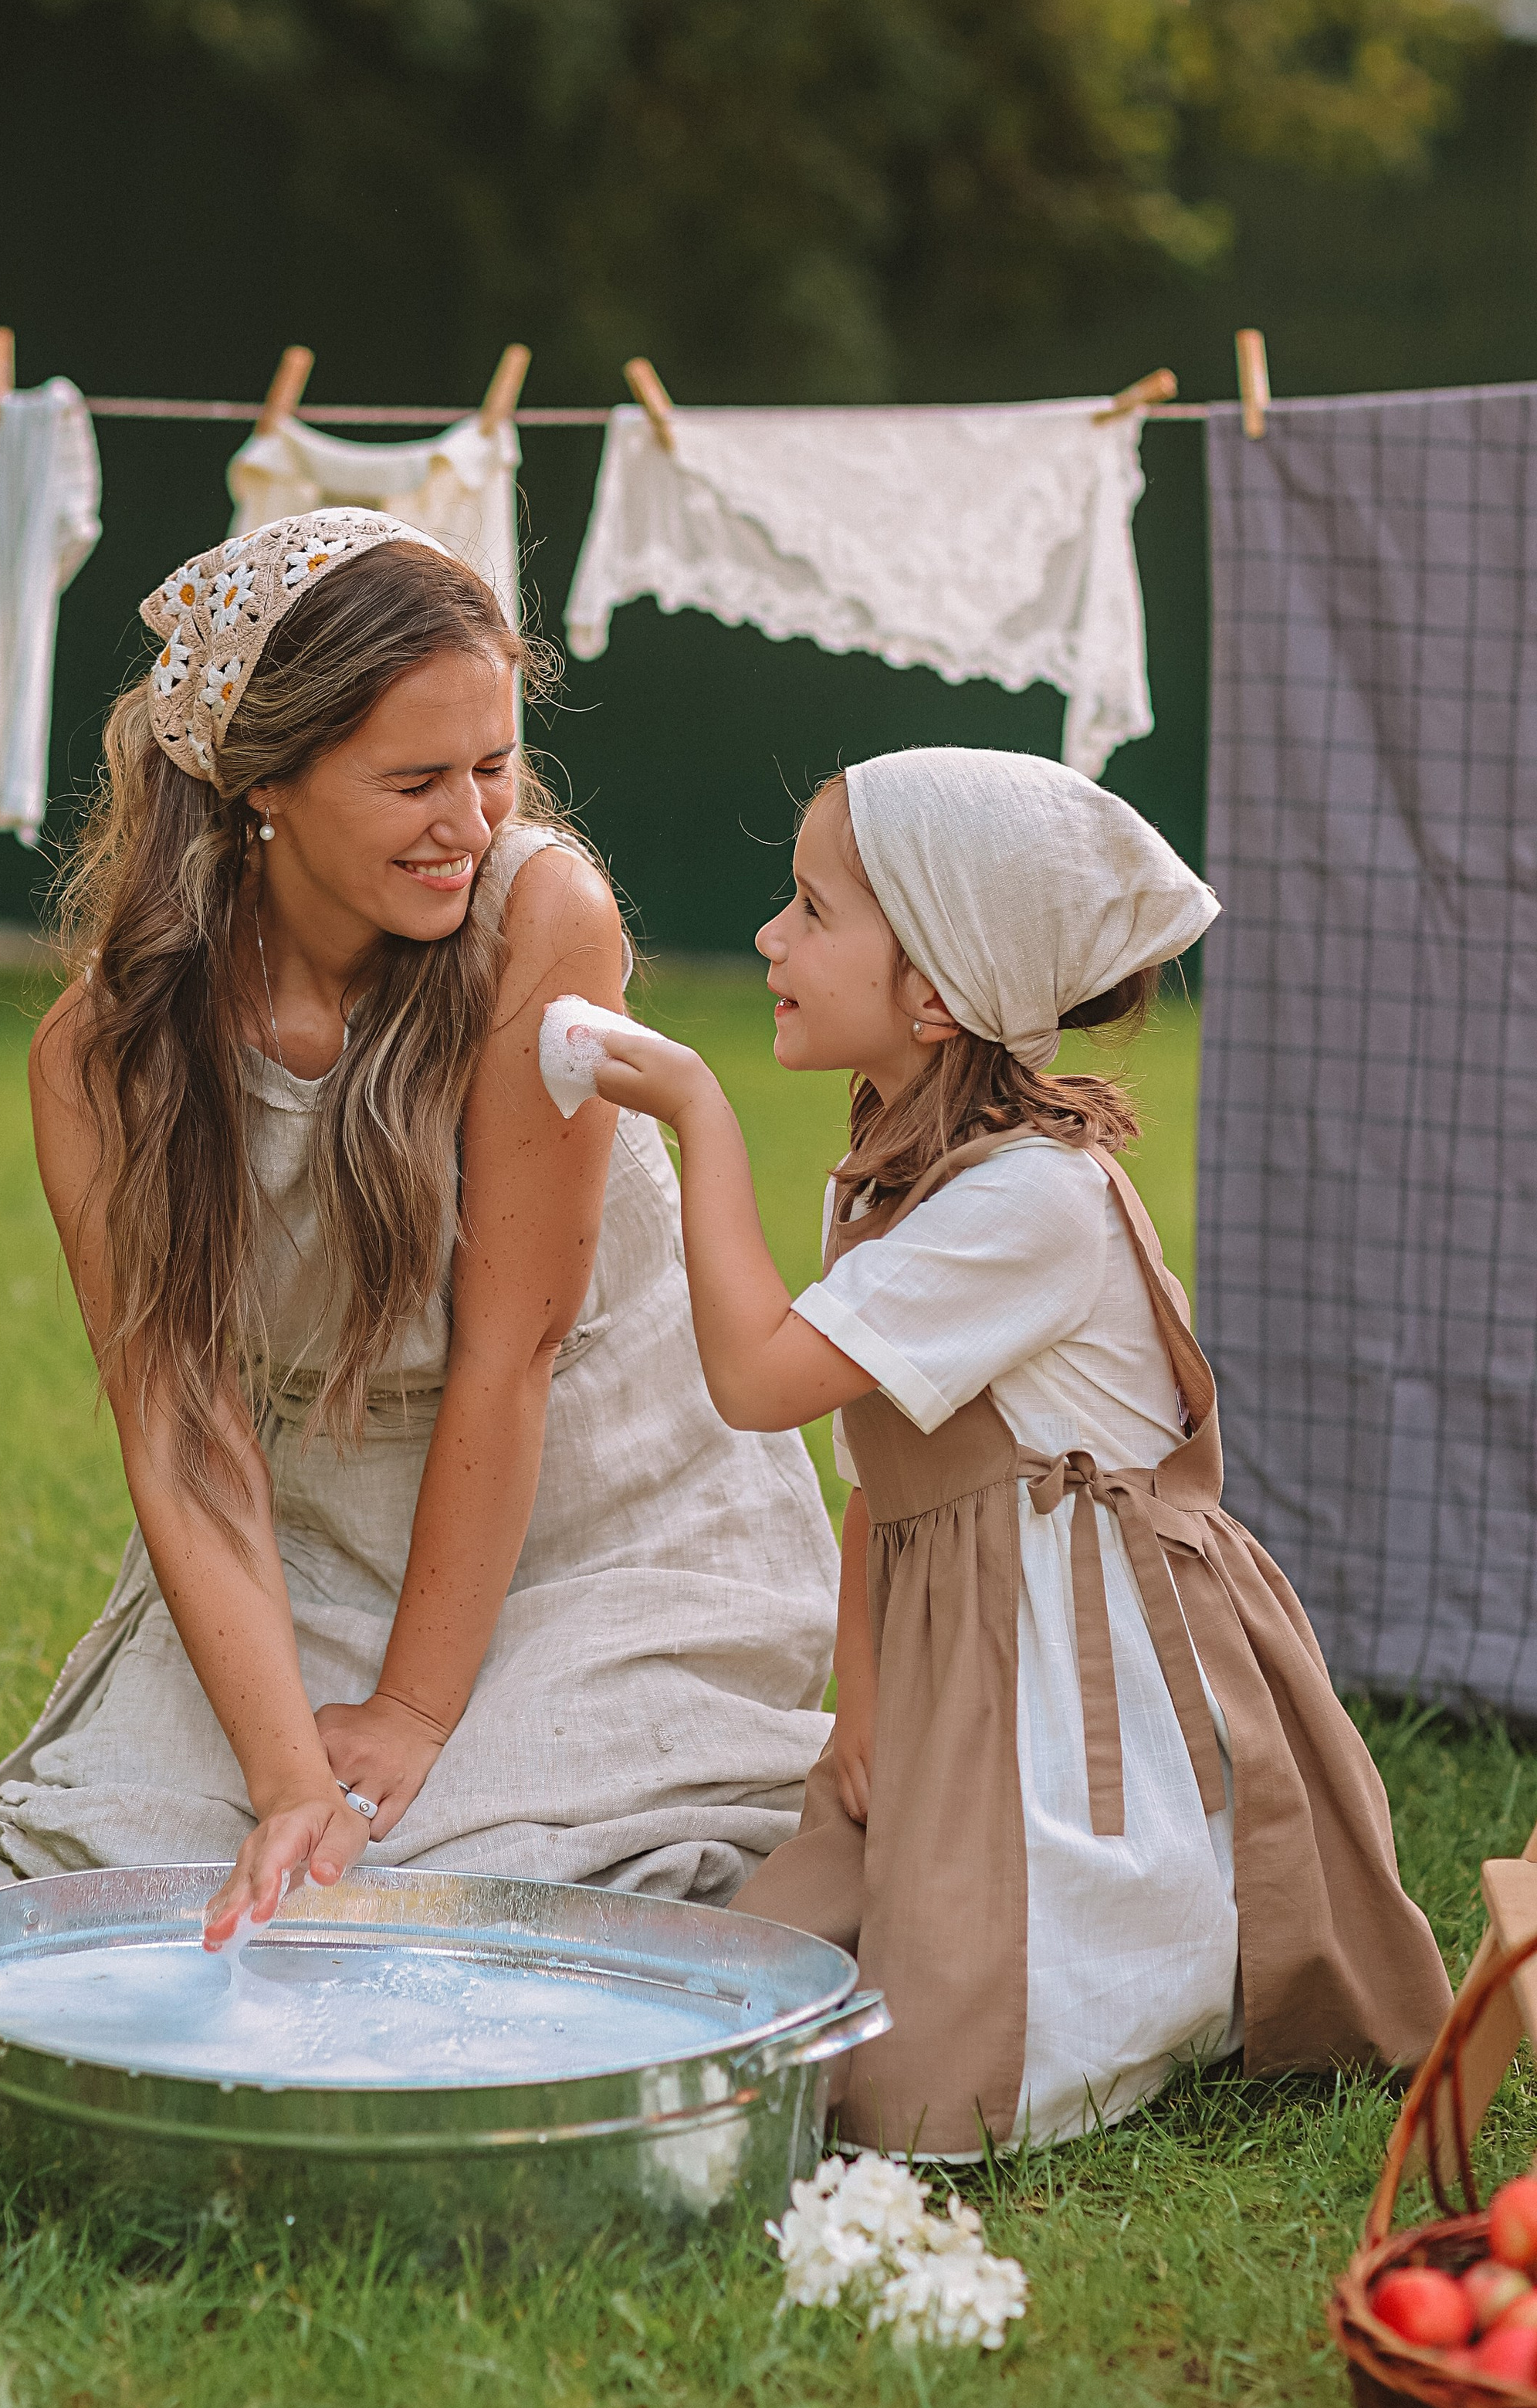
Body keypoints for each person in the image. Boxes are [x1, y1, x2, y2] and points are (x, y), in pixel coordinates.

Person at [0, 508, 837, 1933]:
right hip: (318, 1512)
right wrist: (293, 1774)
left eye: (495, 767)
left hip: (595, 1502)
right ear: (260, 785)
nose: (473, 824)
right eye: (417, 780)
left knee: (501, 1871)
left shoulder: (546, 922)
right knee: (131, 1863)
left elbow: (509, 1354)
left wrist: (410, 1714)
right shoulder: (103, 1057)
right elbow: (179, 1423)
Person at [584, 745, 1452, 2154]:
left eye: (812, 909)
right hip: (953, 1665)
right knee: (746, 1982)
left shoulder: (1028, 1206)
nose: (768, 938)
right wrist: (861, 1711)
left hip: (1075, 1683)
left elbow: (758, 1382)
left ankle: (1173, 1948)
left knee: (916, 2103)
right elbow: (882, 1489)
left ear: (935, 992)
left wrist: (700, 1117)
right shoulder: (890, 1176)